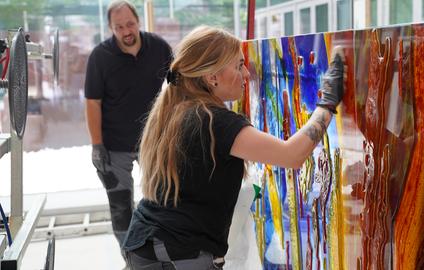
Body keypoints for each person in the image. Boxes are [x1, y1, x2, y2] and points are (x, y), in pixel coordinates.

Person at [122, 25, 345, 270]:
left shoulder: (181, 108)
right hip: (173, 252)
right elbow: (291, 155)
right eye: (239, 65)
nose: (247, 74)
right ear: (212, 76)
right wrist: (327, 104)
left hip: (147, 241)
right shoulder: (213, 120)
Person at [83, 0, 172, 262]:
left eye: (130, 24)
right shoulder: (100, 56)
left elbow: (177, 83)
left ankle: (163, 256)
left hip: (153, 141)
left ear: (138, 22)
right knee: (121, 209)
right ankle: (134, 262)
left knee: (163, 199)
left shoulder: (158, 47)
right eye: (119, 26)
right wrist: (96, 144)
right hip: (114, 146)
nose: (126, 31)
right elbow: (92, 103)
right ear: (111, 28)